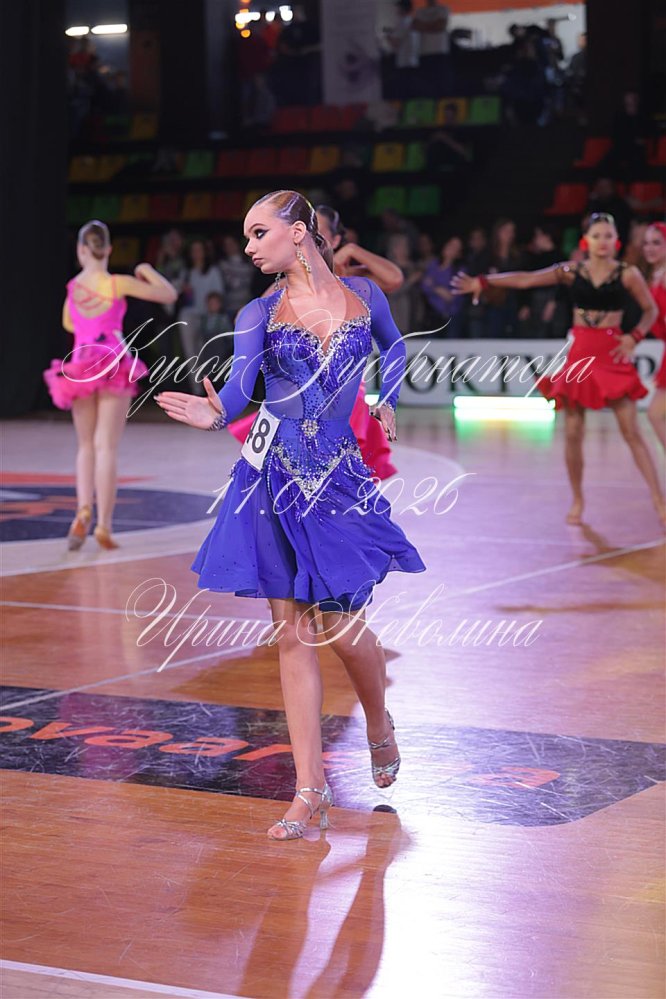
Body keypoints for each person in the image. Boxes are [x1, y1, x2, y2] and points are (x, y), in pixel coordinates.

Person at [155, 190, 426, 840]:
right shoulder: (258, 311)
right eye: (246, 236)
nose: (248, 246)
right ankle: (311, 788)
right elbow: (240, 389)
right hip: (272, 478)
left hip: (339, 478)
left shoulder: (365, 296)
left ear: (299, 232)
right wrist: (214, 413)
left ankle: (379, 722)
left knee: (346, 627)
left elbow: (394, 349)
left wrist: (386, 398)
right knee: (292, 632)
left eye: (258, 232)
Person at [452, 212, 664, 526]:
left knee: (632, 432)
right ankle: (577, 500)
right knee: (573, 433)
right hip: (580, 354)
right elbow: (526, 279)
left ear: (616, 240)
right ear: (586, 240)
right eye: (596, 235)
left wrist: (634, 336)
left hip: (611, 354)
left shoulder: (627, 273)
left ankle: (659, 499)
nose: (602, 242)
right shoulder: (570, 271)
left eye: (608, 236)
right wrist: (484, 281)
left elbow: (651, 310)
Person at [227, 205, 403, 482]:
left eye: (316, 230)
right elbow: (247, 320)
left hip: (345, 396)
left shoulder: (355, 281)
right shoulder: (285, 286)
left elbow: (395, 279)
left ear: (334, 239)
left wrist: (353, 250)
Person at [43, 220, 178, 550]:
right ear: (109, 250)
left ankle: (82, 509)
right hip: (113, 360)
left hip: (81, 362)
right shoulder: (117, 283)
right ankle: (104, 523)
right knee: (106, 446)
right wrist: (146, 269)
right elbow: (168, 294)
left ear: (81, 250)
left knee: (85, 445)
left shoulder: (73, 287)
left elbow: (68, 322)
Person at [641, 221, 666, 450]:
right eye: (646, 243)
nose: (649, 248)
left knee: (655, 414)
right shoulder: (656, 277)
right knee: (655, 414)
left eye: (656, 243)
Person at [420, 235, 464, 336]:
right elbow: (425, 286)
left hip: (452, 316)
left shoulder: (459, 270)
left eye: (455, 248)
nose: (451, 249)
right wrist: (438, 289)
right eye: (450, 245)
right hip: (433, 314)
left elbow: (453, 296)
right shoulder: (433, 265)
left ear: (459, 253)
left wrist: (433, 286)